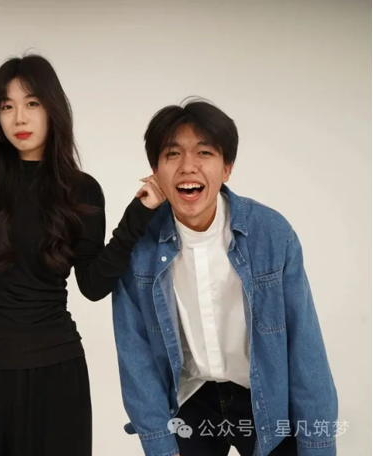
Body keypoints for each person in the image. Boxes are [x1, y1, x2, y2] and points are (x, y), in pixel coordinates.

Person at [0, 54, 164, 455]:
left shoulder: (81, 189)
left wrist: (137, 217)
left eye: (32, 103)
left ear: (52, 108)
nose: (19, 118)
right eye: (6, 106)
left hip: (56, 372)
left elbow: (93, 284)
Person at [112, 98, 338, 456]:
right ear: (155, 170)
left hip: (264, 397)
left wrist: (317, 445)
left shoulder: (271, 235)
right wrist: (160, 448)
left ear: (227, 168)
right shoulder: (138, 247)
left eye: (204, 153)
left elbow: (305, 347)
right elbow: (136, 359)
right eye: (172, 154)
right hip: (189, 399)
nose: (188, 166)